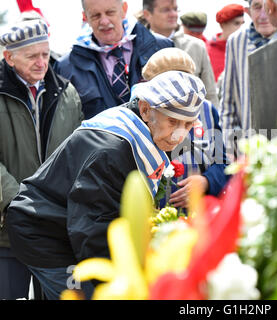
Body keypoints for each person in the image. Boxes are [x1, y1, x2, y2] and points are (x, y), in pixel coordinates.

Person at [6, 70, 207, 300]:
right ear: (145, 110)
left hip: (67, 226)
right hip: (44, 231)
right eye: (173, 121)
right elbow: (94, 227)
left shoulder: (139, 128)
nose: (179, 135)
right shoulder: (112, 149)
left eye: (188, 124)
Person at [0, 19, 83, 300]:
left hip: (57, 227)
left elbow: (79, 153)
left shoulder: (67, 93)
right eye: (32, 56)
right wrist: (16, 202)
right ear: (9, 58)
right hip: (7, 228)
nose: (41, 63)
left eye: (45, 54)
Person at [140, 47, 229, 208]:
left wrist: (206, 182)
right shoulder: (142, 115)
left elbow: (223, 162)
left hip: (199, 213)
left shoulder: (207, 111)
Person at [54, 0, 173, 119]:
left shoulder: (163, 48)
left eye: (110, 12)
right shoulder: (66, 67)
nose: (104, 21)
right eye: (96, 15)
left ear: (124, 9)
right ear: (85, 17)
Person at [219, 0, 277, 160]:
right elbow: (227, 105)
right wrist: (232, 153)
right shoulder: (236, 41)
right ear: (248, 11)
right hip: (249, 151)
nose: (264, 15)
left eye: (268, 6)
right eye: (257, 7)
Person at [140, 0, 219, 107]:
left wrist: (214, 121)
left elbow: (210, 94)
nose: (173, 14)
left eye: (175, 9)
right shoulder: (136, 47)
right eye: (165, 10)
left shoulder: (196, 46)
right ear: (147, 14)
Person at [207, 4, 245, 82]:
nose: (241, 28)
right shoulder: (208, 51)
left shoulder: (246, 47)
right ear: (222, 25)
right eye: (237, 23)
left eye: (242, 23)